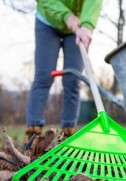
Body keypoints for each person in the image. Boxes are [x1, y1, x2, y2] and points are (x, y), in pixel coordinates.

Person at [24, 0, 103, 148]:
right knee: (43, 77)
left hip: (78, 25)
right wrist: (66, 16)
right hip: (47, 20)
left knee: (73, 80)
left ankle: (68, 136)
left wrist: (87, 25)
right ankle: (32, 136)